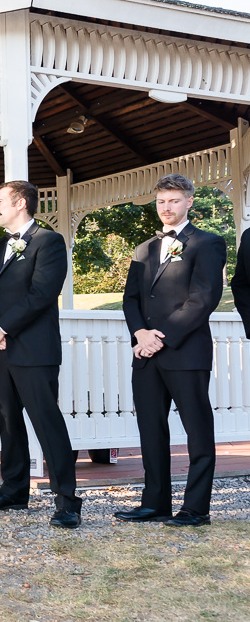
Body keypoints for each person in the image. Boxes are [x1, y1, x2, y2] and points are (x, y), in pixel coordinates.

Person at [116, 174, 225, 527]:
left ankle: (196, 509)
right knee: (151, 429)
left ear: (189, 202)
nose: (167, 207)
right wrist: (140, 334)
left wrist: (160, 336)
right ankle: (155, 503)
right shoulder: (144, 248)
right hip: (145, 354)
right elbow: (130, 299)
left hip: (185, 351)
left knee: (198, 430)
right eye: (162, 201)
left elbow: (203, 298)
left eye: (174, 201)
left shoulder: (207, 243)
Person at [0, 181, 82, 529]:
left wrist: (2, 328)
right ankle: (14, 489)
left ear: (20, 203)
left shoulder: (49, 242)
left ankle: (67, 501)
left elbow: (42, 293)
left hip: (33, 350)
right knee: (8, 422)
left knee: (47, 423)